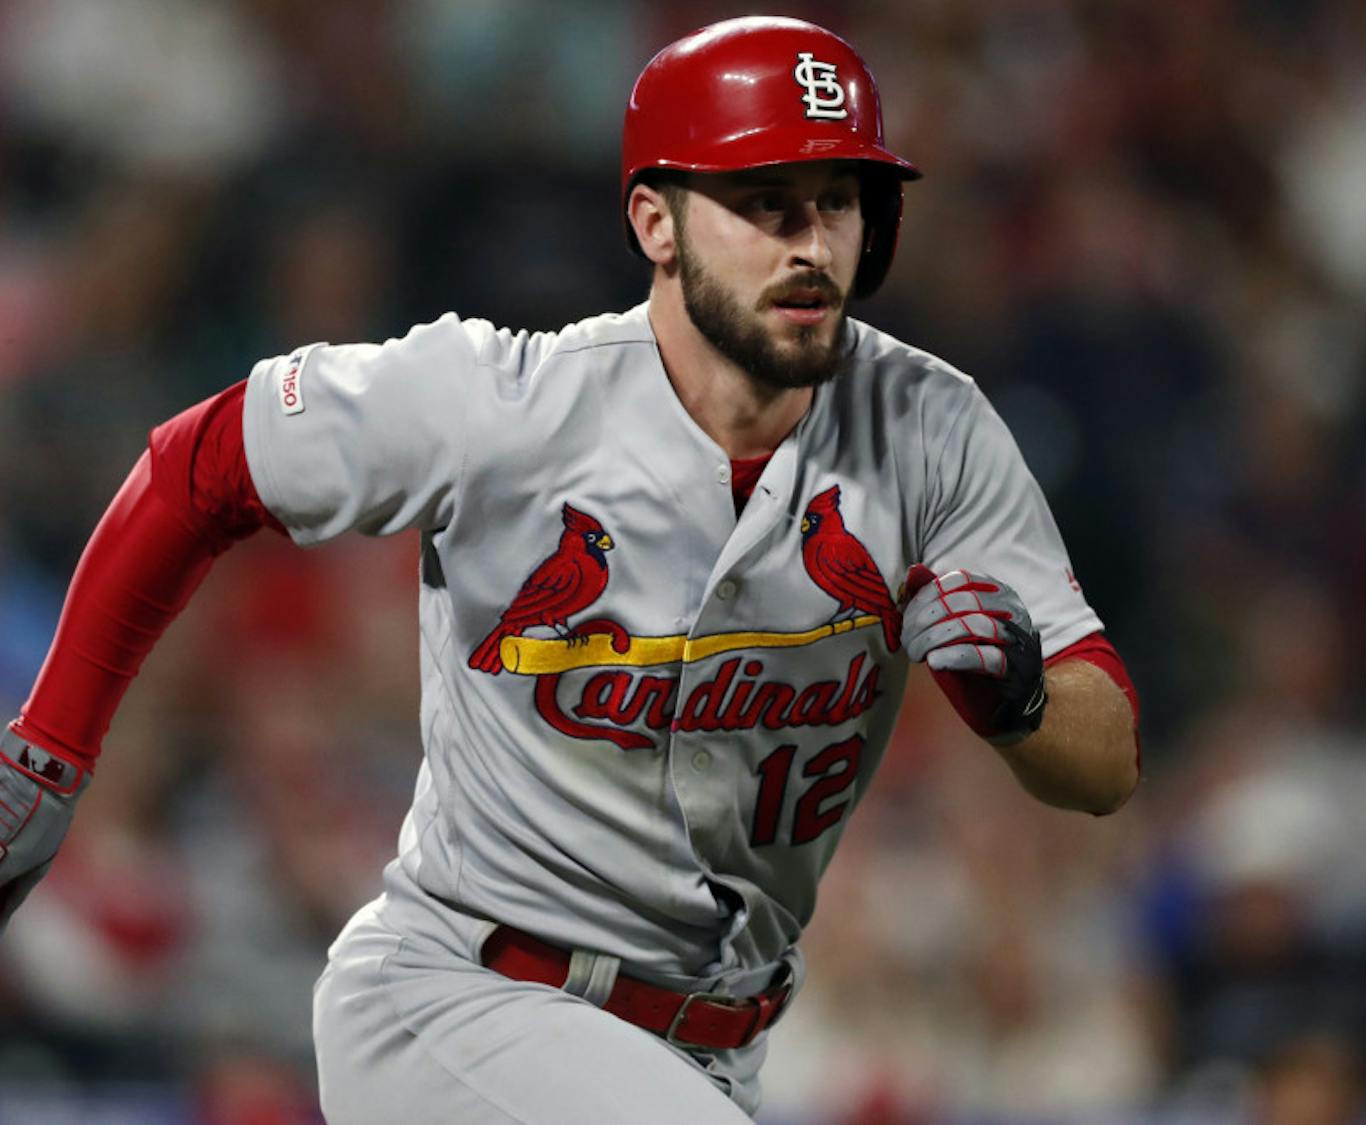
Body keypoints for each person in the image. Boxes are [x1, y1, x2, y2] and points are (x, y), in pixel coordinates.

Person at [0, 15, 1140, 1122]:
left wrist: (1021, 702)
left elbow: (1105, 758)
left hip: (713, 1050)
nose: (810, 244)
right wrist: (51, 753)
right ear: (657, 221)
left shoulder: (931, 429)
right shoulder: (508, 404)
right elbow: (198, 464)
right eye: (765, 202)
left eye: (838, 201)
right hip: (463, 1001)